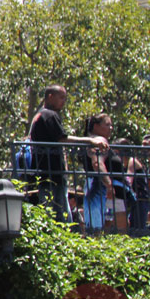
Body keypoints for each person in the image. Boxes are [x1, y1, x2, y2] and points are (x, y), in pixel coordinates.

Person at [28, 85, 108, 224]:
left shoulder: (40, 115)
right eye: (61, 97)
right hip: (52, 173)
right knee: (59, 216)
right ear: (50, 96)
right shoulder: (49, 114)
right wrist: (91, 140)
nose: (64, 101)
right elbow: (62, 138)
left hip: (45, 172)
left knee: (53, 212)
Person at [79, 114, 132, 232]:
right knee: (107, 230)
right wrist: (109, 185)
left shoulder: (94, 140)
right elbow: (97, 163)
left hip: (105, 189)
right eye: (107, 124)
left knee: (102, 228)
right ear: (96, 126)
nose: (111, 128)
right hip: (103, 189)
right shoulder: (99, 141)